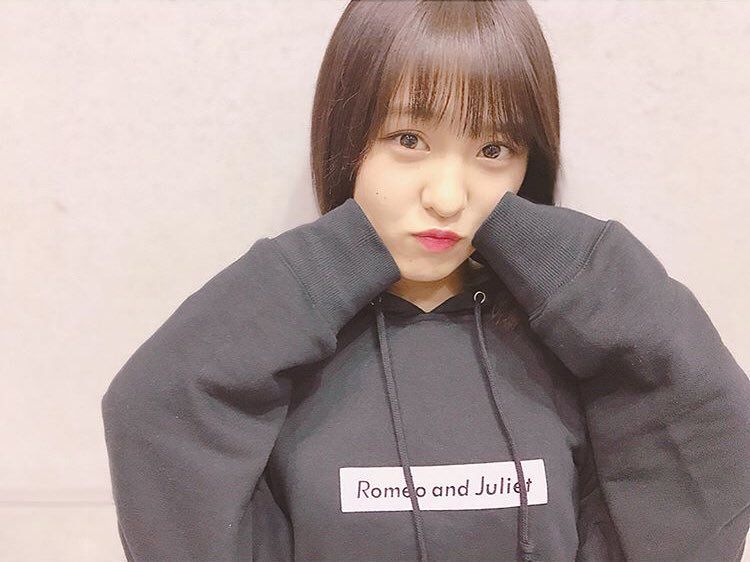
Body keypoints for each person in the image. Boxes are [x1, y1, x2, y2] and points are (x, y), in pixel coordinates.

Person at [100, 1, 750, 561]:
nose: (447, 195)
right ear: (347, 139)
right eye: (409, 139)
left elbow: (708, 424)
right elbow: (157, 412)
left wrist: (572, 259)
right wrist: (323, 263)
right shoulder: (282, 363)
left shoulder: (565, 358)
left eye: (493, 150)